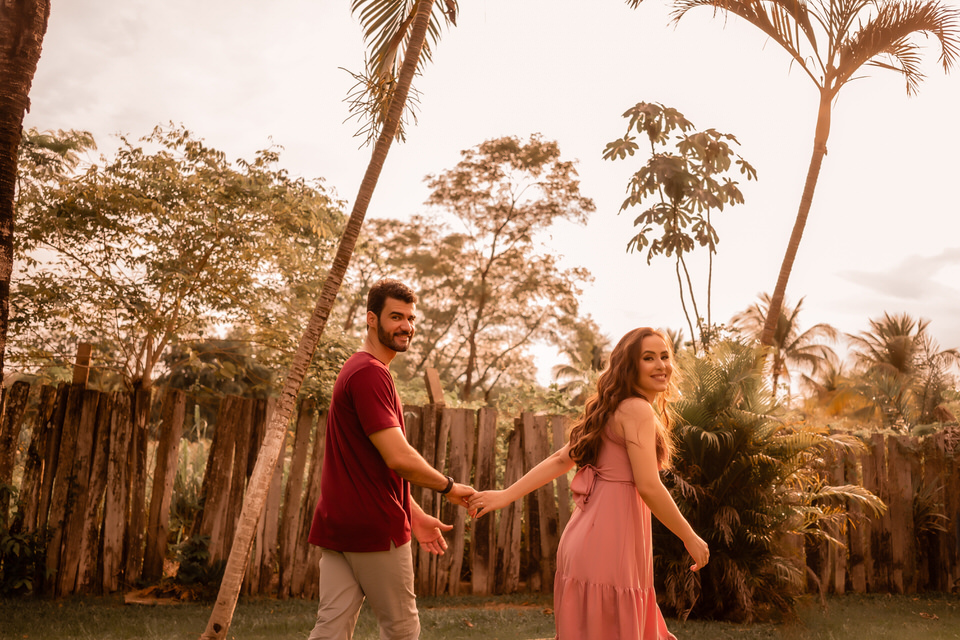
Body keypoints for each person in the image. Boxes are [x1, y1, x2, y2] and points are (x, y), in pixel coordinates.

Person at [467, 327, 709, 640]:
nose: (661, 365)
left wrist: (505, 495)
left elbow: (559, 460)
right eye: (648, 358)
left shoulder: (612, 407)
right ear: (629, 366)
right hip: (611, 544)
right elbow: (648, 485)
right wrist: (689, 536)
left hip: (585, 542)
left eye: (665, 356)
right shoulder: (637, 409)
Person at [306, 278, 474, 640]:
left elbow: (375, 465)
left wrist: (414, 515)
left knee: (330, 629)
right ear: (371, 319)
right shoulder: (370, 374)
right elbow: (398, 457)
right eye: (396, 317)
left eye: (411, 318)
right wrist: (448, 487)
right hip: (374, 529)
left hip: (340, 527)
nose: (406, 327)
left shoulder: (358, 369)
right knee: (401, 629)